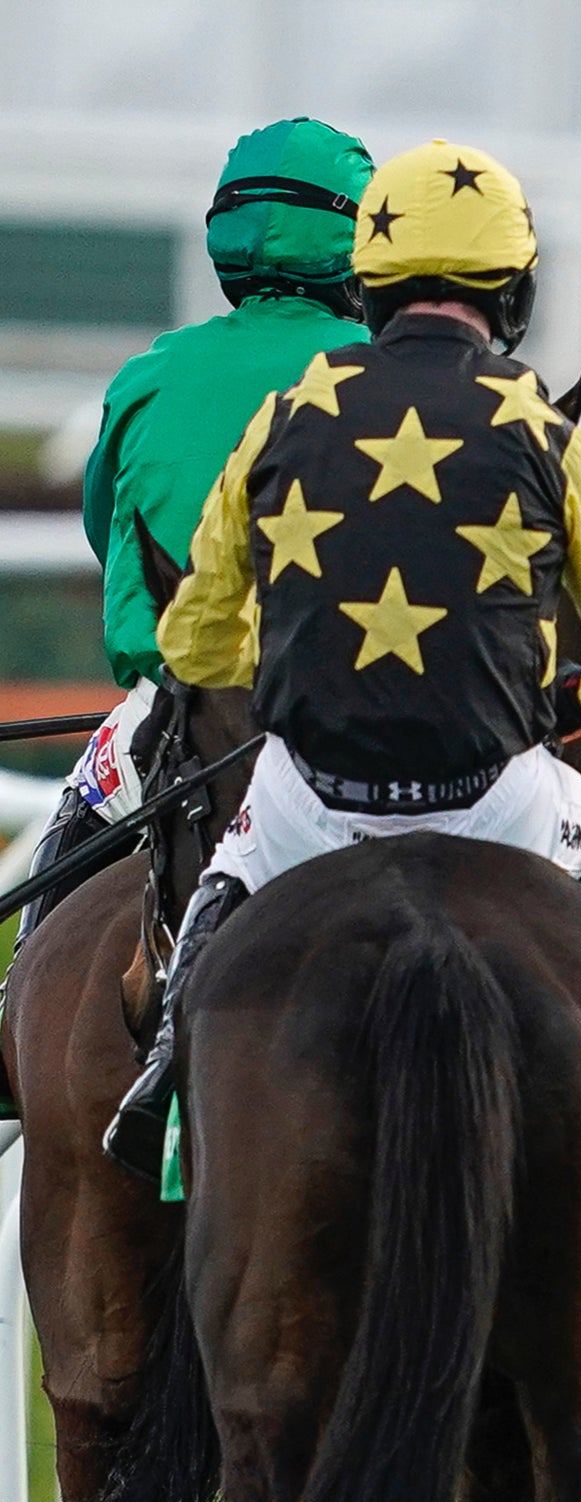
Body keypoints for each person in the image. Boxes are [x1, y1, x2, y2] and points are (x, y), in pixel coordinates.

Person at [103, 140, 581, 1180]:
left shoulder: (291, 413)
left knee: (217, 884)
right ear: (514, 292)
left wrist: (280, 652)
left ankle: (159, 1080)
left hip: (309, 801)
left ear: (369, 288)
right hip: (495, 801)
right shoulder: (539, 425)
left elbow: (192, 639)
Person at [21, 119, 375, 945]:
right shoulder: (395, 380)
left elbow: (111, 537)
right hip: (363, 718)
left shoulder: (148, 375)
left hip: (169, 712)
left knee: (56, 881)